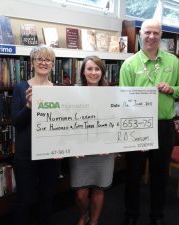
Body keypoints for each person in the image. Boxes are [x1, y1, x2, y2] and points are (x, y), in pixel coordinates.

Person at [119, 19, 179, 225]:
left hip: (163, 127)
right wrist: (137, 130)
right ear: (140, 34)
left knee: (160, 175)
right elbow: (123, 99)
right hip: (136, 126)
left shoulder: (173, 61)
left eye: (155, 33)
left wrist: (172, 90)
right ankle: (131, 214)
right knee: (132, 174)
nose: (151, 37)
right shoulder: (129, 64)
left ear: (161, 35)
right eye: (147, 32)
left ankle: (157, 215)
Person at [11, 45, 61, 225]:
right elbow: (16, 122)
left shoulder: (59, 89)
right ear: (32, 63)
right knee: (25, 200)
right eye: (39, 59)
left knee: (47, 198)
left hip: (51, 154)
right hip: (26, 154)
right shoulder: (20, 88)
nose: (43, 63)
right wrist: (29, 107)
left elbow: (63, 123)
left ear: (53, 64)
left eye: (48, 59)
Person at [69, 56, 115, 225]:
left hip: (104, 151)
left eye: (97, 69)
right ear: (83, 71)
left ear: (102, 72)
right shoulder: (73, 93)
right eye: (89, 69)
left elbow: (117, 121)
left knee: (98, 188)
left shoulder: (112, 94)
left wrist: (111, 144)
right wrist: (74, 145)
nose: (94, 72)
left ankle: (94, 221)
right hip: (80, 151)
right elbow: (66, 122)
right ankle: (84, 214)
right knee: (81, 193)